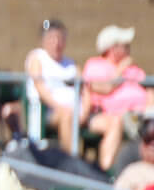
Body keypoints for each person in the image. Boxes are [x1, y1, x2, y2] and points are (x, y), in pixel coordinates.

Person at [81, 25, 147, 171]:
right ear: (112, 48)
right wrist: (121, 69)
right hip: (103, 115)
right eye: (125, 45)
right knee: (116, 122)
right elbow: (104, 87)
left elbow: (147, 89)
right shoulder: (95, 65)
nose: (128, 48)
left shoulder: (133, 69)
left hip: (138, 115)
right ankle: (106, 172)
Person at [24, 18, 78, 151]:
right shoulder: (37, 58)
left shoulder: (71, 64)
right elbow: (40, 87)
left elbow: (85, 88)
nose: (57, 43)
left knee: (113, 122)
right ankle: (72, 163)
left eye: (60, 38)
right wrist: (60, 107)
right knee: (66, 116)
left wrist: (85, 109)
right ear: (43, 40)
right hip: (48, 113)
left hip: (77, 112)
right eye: (52, 38)